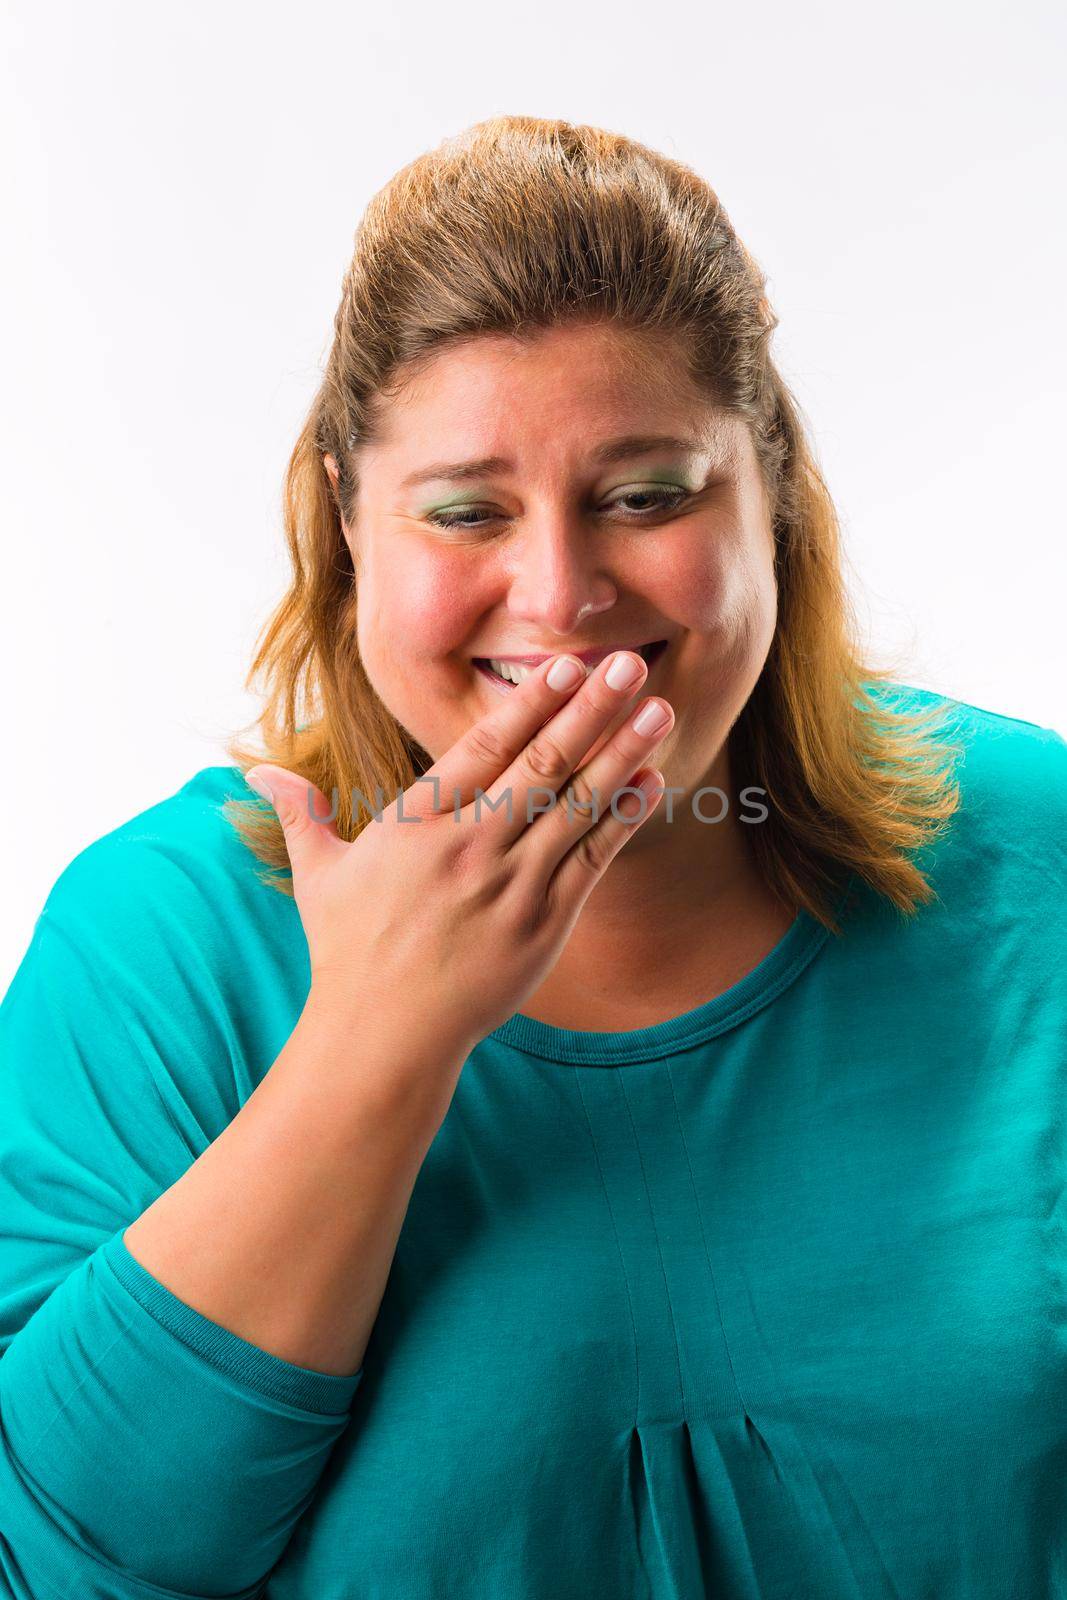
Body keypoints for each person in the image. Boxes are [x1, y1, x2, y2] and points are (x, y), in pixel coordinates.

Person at [0, 113, 1064, 1600]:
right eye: (465, 513)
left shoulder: (1034, 849)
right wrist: (375, 1041)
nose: (562, 595)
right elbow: (64, 1564)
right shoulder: (157, 946)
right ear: (348, 525)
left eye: (647, 495)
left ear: (771, 493)